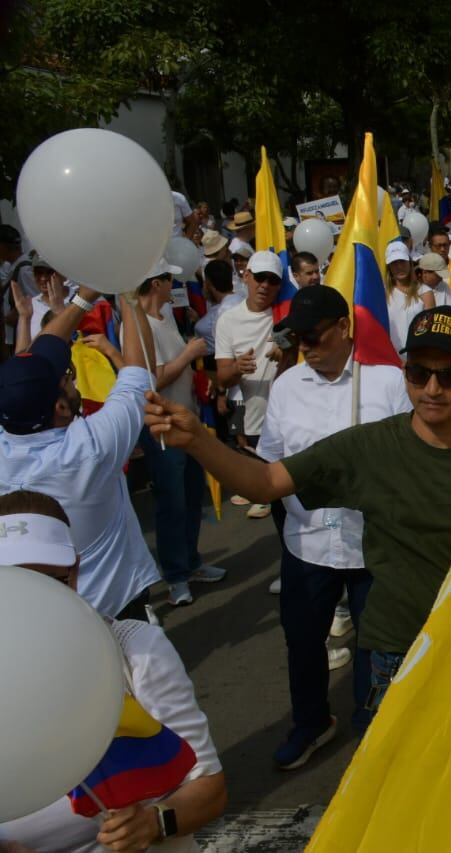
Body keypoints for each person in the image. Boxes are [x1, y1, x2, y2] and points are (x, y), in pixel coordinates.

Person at [145, 305, 451, 720]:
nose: (431, 388)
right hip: (397, 650)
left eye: (448, 375)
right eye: (417, 372)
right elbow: (265, 484)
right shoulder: (369, 446)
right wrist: (197, 441)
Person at [0, 490, 227, 852]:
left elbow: (208, 790)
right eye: (17, 585)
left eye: (52, 581)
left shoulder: (135, 650)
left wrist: (154, 823)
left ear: (74, 570)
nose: (38, 602)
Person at [260, 286, 410, 764]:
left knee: (374, 644)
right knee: (303, 643)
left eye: (314, 335)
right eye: (297, 337)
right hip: (307, 546)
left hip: (373, 547)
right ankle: (311, 722)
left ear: (345, 328)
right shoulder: (285, 387)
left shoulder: (387, 383)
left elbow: (413, 458)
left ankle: (372, 731)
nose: (305, 345)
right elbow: (270, 463)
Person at [0, 283, 162, 621]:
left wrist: (84, 295)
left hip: (37, 618)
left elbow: (44, 350)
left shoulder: (10, 432)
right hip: (114, 613)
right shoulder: (89, 449)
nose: (74, 382)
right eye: (68, 379)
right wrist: (129, 291)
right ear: (60, 405)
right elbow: (138, 373)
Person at [138, 258, 224, 606]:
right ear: (155, 284)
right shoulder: (141, 325)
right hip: (163, 426)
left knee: (190, 494)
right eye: (167, 280)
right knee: (171, 502)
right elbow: (152, 379)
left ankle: (191, 563)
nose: (173, 286)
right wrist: (189, 352)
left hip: (186, 418)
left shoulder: (166, 318)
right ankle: (175, 575)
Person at [215, 250, 290, 519]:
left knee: (294, 504)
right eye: (260, 278)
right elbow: (222, 376)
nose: (265, 285)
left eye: (273, 280)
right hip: (257, 421)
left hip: (292, 419)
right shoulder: (228, 320)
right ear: (246, 276)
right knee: (274, 500)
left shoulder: (286, 313)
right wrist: (237, 368)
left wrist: (287, 351)